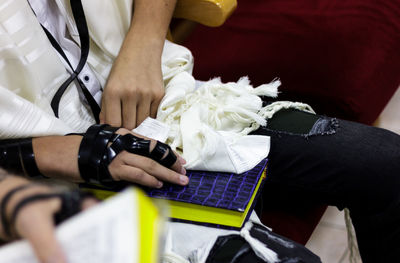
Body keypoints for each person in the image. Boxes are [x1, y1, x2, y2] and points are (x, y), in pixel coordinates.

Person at [0, 1, 399, 263]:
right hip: (41, 172)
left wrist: (145, 41)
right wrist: (40, 153)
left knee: (386, 163)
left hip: (164, 100)